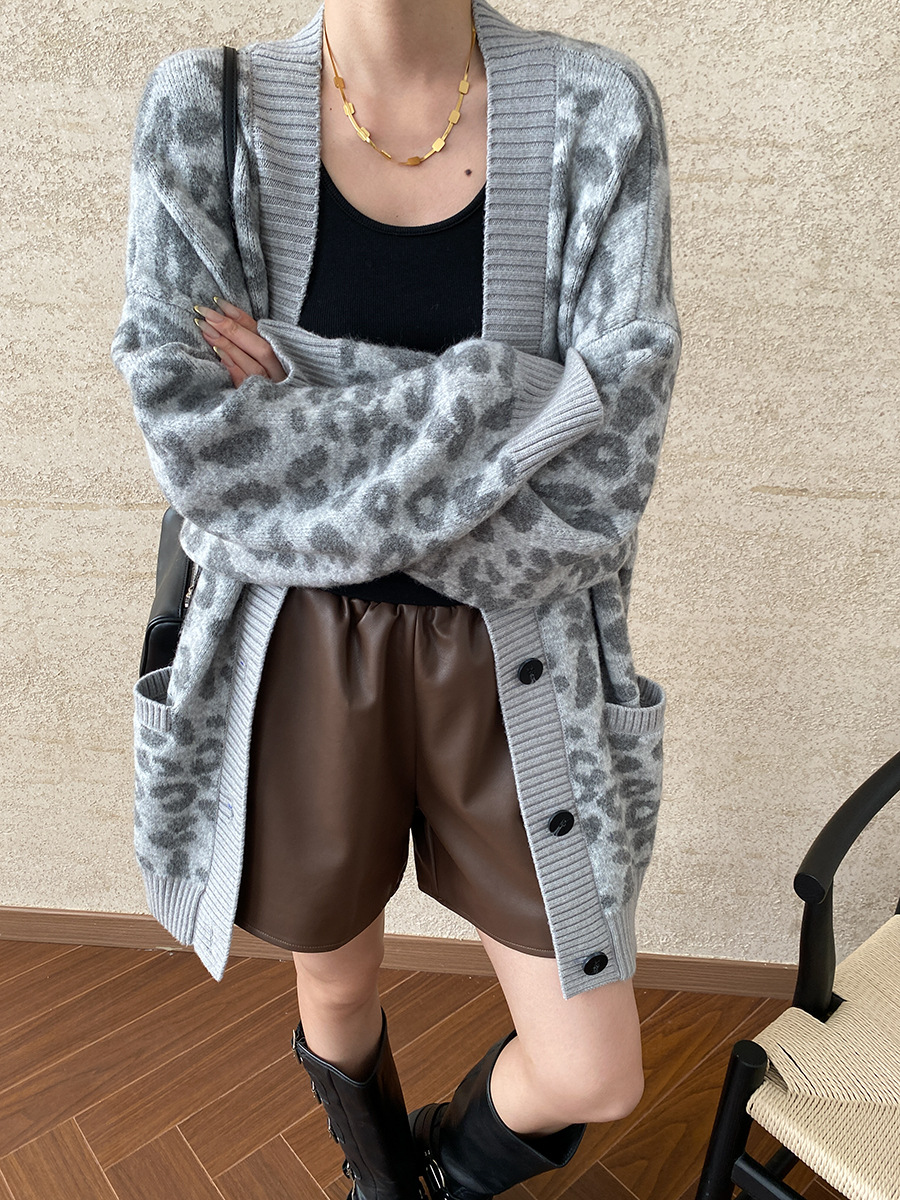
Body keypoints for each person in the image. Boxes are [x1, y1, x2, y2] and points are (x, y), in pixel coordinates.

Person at [111, 0, 682, 1197]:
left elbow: (606, 469)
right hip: (298, 655)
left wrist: (306, 375)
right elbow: (201, 447)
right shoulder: (203, 114)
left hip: (524, 660)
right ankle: (385, 1184)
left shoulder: (598, 110)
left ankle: (424, 1182)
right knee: (337, 986)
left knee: (592, 1070)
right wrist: (518, 408)